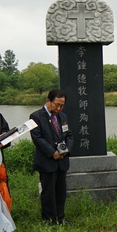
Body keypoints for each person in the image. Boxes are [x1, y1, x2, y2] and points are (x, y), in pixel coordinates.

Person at [29, 89, 74, 224]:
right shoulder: (36, 116)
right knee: (48, 192)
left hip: (62, 160)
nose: (59, 108)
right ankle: (49, 220)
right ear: (48, 101)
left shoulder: (63, 117)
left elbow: (69, 135)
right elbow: (37, 138)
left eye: (62, 106)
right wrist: (52, 152)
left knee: (61, 192)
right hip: (47, 161)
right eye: (56, 105)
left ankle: (60, 218)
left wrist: (66, 150)